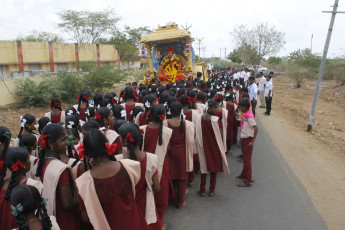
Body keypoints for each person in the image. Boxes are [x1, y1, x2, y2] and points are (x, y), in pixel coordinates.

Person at [76, 129, 149, 230]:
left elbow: (85, 218)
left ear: (86, 153)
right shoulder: (129, 166)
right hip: (135, 223)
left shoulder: (84, 182)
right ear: (107, 144)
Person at [35, 124, 82, 230]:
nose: (67, 142)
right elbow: (68, 203)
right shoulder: (60, 169)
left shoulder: (43, 163)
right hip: (66, 220)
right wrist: (85, 194)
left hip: (53, 214)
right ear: (51, 143)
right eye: (63, 140)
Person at [118, 123, 162, 230]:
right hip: (144, 204)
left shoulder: (116, 162)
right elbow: (157, 188)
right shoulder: (151, 159)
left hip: (126, 206)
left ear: (124, 142)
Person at [140, 104, 172, 229]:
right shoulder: (167, 132)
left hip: (145, 165)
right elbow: (168, 149)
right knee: (161, 197)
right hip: (162, 166)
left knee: (148, 195)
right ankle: (159, 222)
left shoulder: (142, 129)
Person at [195, 99, 230, 197]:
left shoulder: (200, 118)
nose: (218, 108)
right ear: (211, 108)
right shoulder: (215, 120)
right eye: (216, 107)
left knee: (203, 167)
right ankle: (211, 190)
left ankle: (202, 190)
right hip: (214, 146)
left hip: (203, 145)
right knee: (214, 169)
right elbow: (219, 135)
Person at [165, 102, 194, 208]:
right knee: (182, 178)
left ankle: (172, 199)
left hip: (170, 153)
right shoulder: (187, 124)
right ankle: (180, 202)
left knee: (171, 176)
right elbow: (191, 138)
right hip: (182, 153)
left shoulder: (165, 123)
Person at [0, 147, 35, 230]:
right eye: (28, 159)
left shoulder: (2, 184)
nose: (30, 162)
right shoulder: (30, 187)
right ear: (23, 164)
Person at [236, 100, 258, 187]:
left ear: (244, 107)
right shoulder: (246, 114)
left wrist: (252, 141)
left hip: (248, 139)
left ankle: (248, 179)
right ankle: (243, 174)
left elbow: (256, 128)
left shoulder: (249, 116)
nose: (239, 109)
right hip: (245, 137)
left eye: (240, 107)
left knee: (247, 160)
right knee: (245, 159)